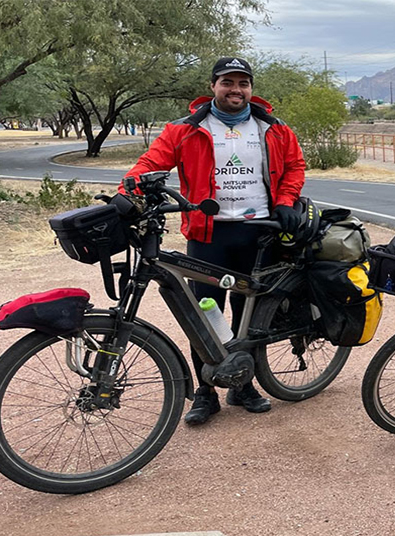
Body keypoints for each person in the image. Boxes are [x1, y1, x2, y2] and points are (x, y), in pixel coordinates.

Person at [123, 56, 307, 426]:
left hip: (259, 233)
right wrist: (128, 191)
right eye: (228, 83)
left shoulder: (273, 127)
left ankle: (243, 385)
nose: (236, 90)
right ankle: (206, 393)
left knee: (248, 313)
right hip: (209, 234)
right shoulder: (185, 129)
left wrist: (286, 201)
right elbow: (148, 165)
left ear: (251, 89)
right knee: (204, 313)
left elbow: (295, 166)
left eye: (243, 83)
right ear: (213, 86)